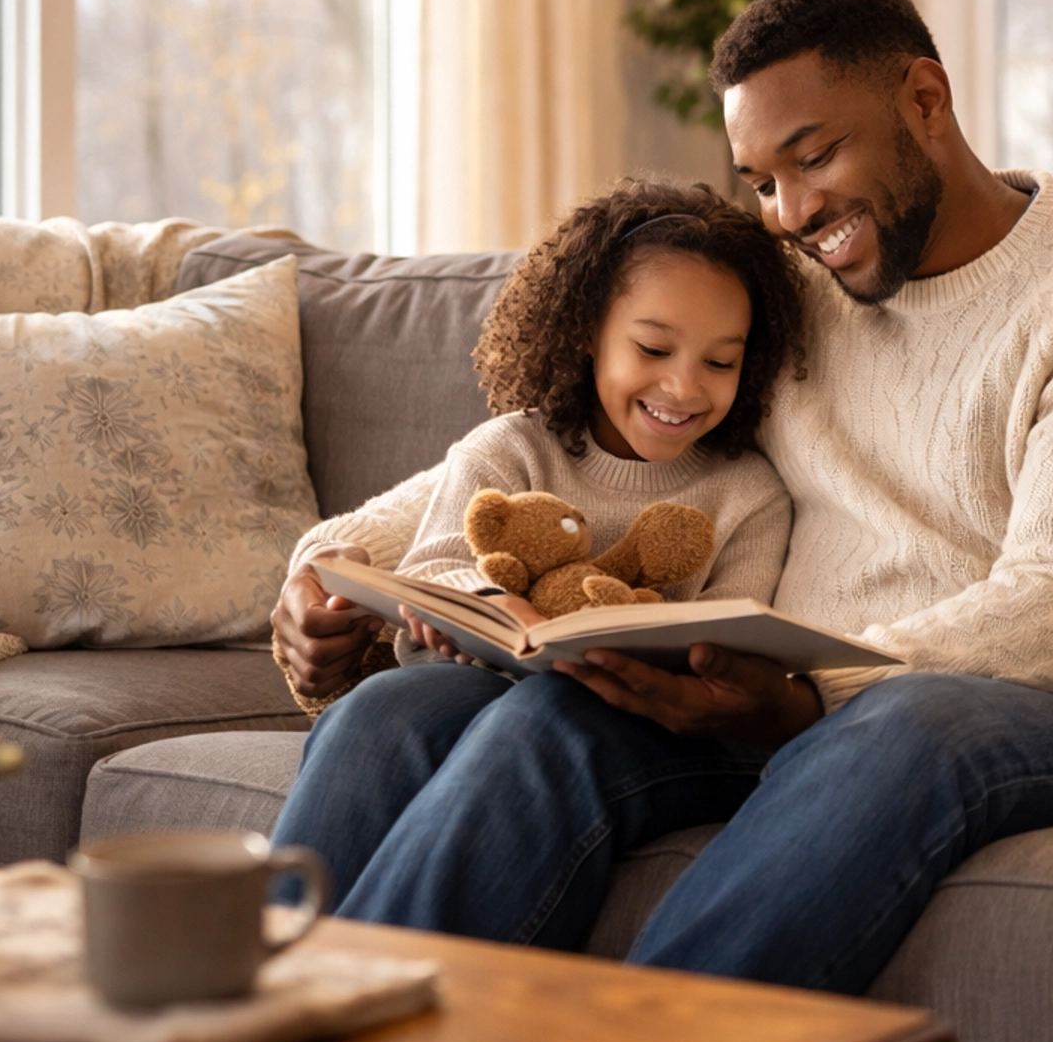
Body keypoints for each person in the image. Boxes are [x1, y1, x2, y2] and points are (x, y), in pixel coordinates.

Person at [272, 0, 1053, 994]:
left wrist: (810, 696)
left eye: (815, 156)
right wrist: (341, 569)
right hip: (772, 699)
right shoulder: (796, 292)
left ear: (925, 102)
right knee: (434, 716)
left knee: (907, 724)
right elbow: (558, 445)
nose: (790, 213)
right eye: (762, 180)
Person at [270, 179, 799, 914]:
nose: (683, 386)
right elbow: (437, 561)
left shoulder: (750, 492)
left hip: (639, 720)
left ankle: (362, 981)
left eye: (721, 362)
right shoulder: (511, 446)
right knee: (381, 712)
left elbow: (734, 630)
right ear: (587, 331)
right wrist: (493, 606)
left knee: (535, 723)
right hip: (485, 680)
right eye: (652, 347)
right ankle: (271, 956)